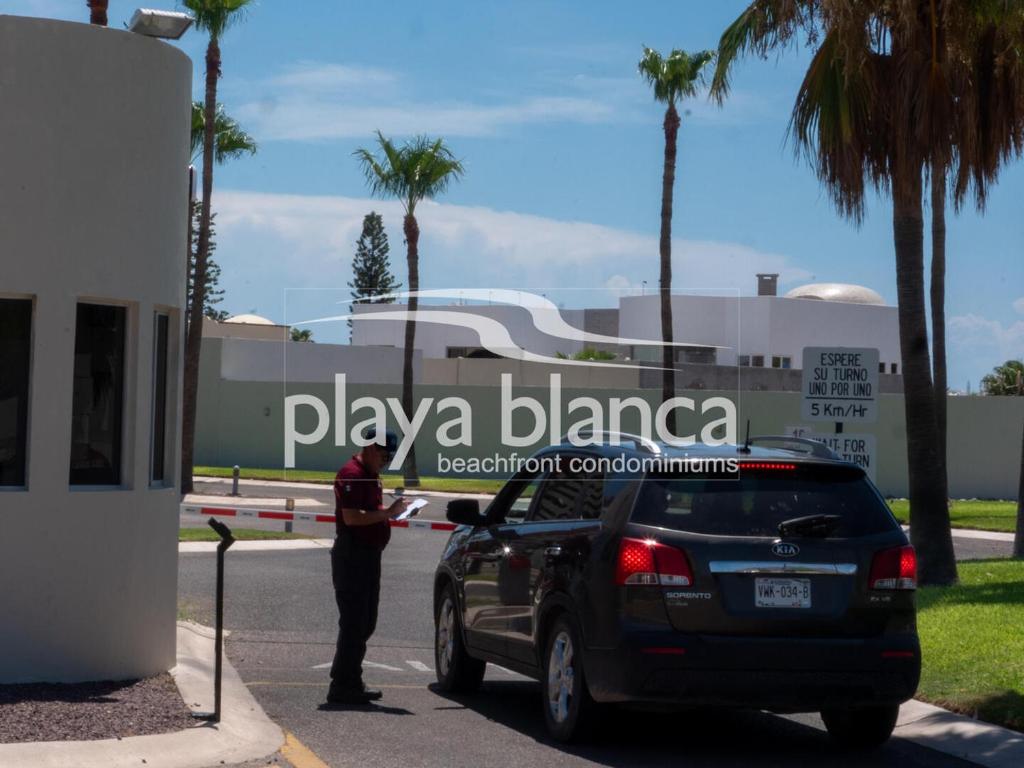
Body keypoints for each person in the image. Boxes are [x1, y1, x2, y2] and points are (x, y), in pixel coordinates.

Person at [327, 428, 408, 705]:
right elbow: (351, 517)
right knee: (354, 621)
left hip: (369, 555)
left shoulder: (370, 475)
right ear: (371, 448)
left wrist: (393, 512)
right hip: (353, 555)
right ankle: (342, 685)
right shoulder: (352, 474)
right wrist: (387, 513)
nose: (385, 461)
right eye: (384, 455)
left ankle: (350, 679)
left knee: (365, 621)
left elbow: (370, 511)